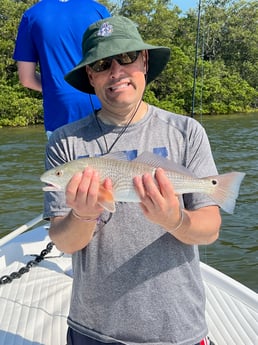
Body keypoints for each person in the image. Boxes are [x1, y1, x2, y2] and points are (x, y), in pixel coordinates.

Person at [43, 16, 221, 345]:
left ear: (144, 61)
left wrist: (175, 218)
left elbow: (210, 229)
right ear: (91, 76)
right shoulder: (66, 144)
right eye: (102, 64)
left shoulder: (186, 132)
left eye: (126, 58)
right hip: (93, 330)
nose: (116, 72)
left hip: (178, 328)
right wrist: (83, 214)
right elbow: (65, 242)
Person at [13, 0, 110, 137]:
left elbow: (26, 79)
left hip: (60, 114)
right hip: (104, 107)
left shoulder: (31, 16)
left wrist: (54, 87)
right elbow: (114, 63)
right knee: (110, 159)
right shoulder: (99, 11)